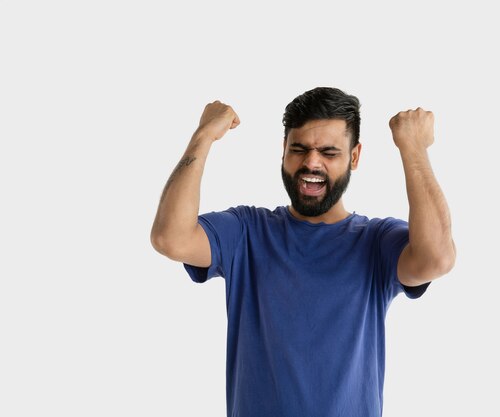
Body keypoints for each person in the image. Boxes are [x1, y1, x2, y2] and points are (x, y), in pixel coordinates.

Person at [150, 87, 456, 417]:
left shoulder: (377, 242)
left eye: (329, 152)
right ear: (283, 151)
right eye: (299, 149)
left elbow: (437, 257)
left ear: (354, 157)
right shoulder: (247, 231)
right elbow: (171, 238)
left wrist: (413, 149)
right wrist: (204, 135)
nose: (311, 162)